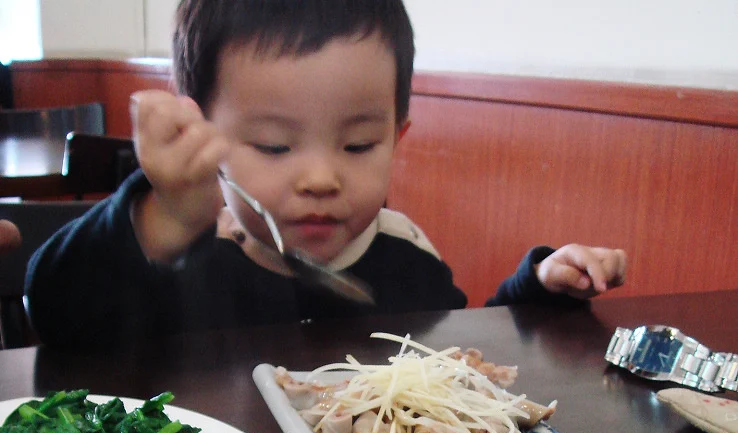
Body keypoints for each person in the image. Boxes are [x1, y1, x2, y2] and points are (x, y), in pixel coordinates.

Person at [26, 0, 626, 349]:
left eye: (359, 144)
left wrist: (539, 290)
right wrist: (164, 220)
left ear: (398, 137)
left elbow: (456, 354)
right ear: (201, 136)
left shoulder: (404, 254)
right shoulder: (179, 256)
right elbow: (55, 316)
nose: (320, 178)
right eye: (274, 145)